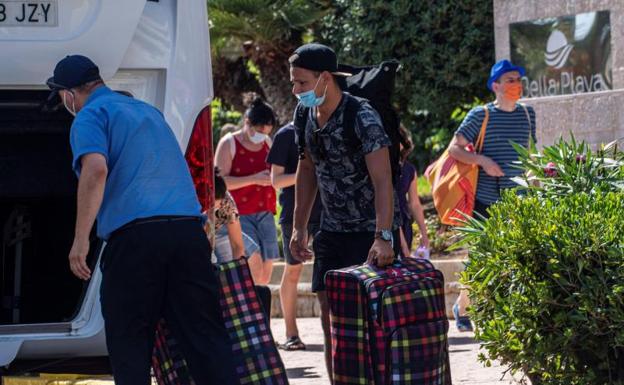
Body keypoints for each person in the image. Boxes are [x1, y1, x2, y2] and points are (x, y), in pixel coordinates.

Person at [47, 55, 239, 384]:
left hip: (136, 241)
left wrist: (80, 241)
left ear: (69, 94)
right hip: (188, 235)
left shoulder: (90, 115)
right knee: (206, 339)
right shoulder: (149, 112)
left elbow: (95, 170)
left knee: (130, 342)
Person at [287, 43, 401, 381]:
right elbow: (306, 169)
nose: (295, 91)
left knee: (370, 321)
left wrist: (383, 237)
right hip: (332, 231)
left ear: (325, 78)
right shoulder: (304, 114)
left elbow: (383, 180)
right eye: (293, 83)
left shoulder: (361, 116)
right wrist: (298, 227)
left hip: (368, 234)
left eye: (302, 83)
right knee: (329, 318)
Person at [448, 59, 536, 331]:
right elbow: (455, 149)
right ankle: (462, 308)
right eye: (510, 80)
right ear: (495, 86)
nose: (516, 85)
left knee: (518, 256)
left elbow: (530, 152)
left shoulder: (527, 114)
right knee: (481, 258)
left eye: (518, 80)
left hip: (519, 200)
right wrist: (483, 160)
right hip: (487, 199)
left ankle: (509, 314)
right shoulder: (481, 115)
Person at [267, 122, 323, 351]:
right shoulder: (285, 135)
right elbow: (276, 180)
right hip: (293, 213)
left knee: (328, 270)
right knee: (293, 270)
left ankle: (333, 328)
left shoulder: (328, 128)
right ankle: (291, 334)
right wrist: (306, 172)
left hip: (327, 212)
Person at [215, 97, 279, 285]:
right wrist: (253, 179)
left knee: (268, 266)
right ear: (247, 123)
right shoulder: (229, 143)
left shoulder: (268, 143)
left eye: (267, 131)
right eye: (259, 130)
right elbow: (219, 184)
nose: (263, 135)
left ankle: (259, 306)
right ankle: (252, 306)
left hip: (266, 211)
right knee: (253, 261)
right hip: (240, 213)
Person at [212, 169, 261, 263]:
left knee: (254, 259)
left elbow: (237, 245)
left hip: (220, 229)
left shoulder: (227, 203)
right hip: (197, 232)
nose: (212, 211)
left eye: (216, 208)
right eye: (210, 208)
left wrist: (237, 272)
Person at [397, 125, 430, 258]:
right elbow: (388, 207)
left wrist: (424, 233)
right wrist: (402, 244)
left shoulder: (409, 169)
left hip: (404, 224)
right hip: (388, 226)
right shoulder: (384, 170)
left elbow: (414, 203)